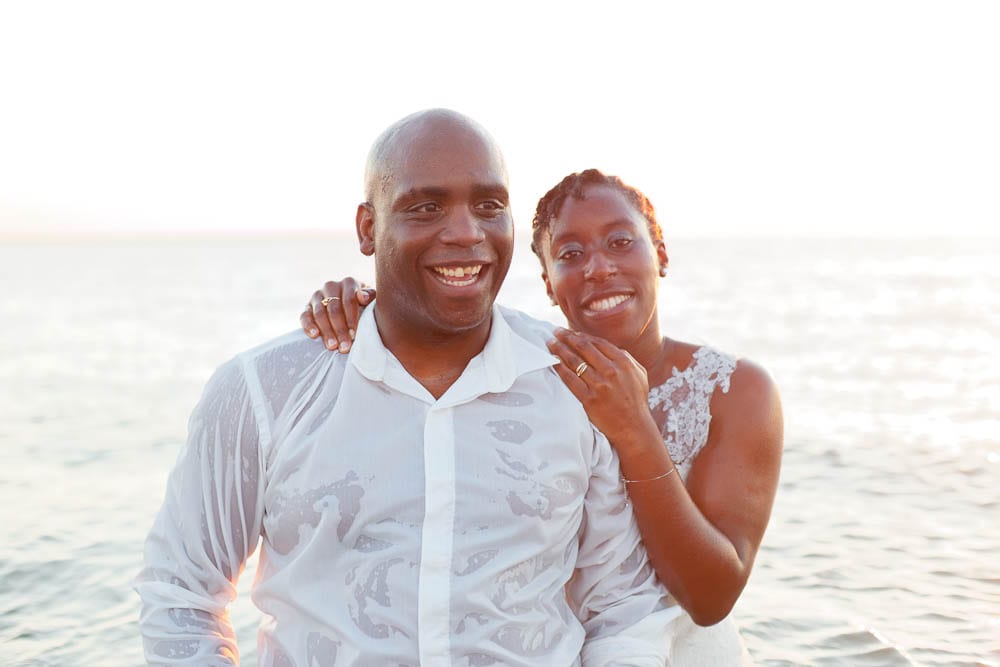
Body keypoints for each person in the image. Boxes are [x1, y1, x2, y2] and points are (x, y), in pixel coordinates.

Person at [135, 111, 681, 666]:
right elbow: (180, 593)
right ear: (368, 228)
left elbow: (621, 605)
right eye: (426, 207)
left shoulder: (574, 385)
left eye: (490, 206)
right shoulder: (262, 391)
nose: (467, 232)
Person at [301, 169, 784, 663]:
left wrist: (634, 428)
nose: (598, 268)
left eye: (621, 242)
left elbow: (711, 599)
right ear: (549, 285)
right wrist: (361, 303)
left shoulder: (733, 389)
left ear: (659, 253)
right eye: (570, 255)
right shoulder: (525, 378)